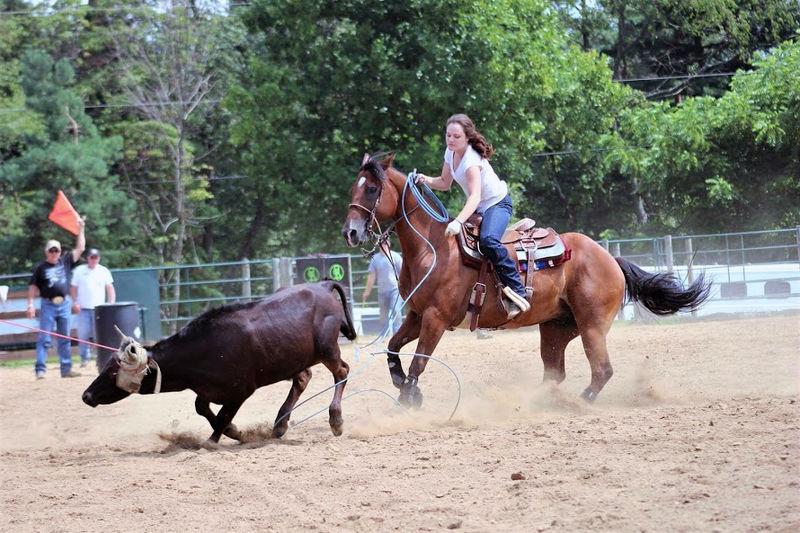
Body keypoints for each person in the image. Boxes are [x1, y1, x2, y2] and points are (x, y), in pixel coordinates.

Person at [416, 113, 531, 319]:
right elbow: (444, 182)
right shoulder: (450, 153)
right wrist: (425, 180)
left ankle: (518, 290)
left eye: (456, 136)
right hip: (478, 207)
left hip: (497, 204)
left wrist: (459, 221)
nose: (450, 140)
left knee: (488, 241)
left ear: (467, 138)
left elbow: (476, 196)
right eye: (448, 135)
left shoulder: (471, 159)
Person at [27, 216, 86, 379]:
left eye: (56, 250)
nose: (54, 253)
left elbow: (80, 248)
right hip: (48, 305)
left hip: (64, 304)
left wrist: (81, 228)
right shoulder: (40, 268)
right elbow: (32, 287)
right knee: (44, 337)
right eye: (51, 250)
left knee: (65, 337)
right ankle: (40, 369)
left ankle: (66, 370)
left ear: (60, 252)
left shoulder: (65, 260)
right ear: (46, 252)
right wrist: (30, 304)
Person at [70, 248, 115, 368]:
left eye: (96, 257)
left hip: (99, 309)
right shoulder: (79, 270)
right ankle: (84, 358)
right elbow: (73, 288)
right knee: (83, 334)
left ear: (99, 258)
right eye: (91, 257)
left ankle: (100, 358)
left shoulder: (103, 271)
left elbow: (109, 288)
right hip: (83, 308)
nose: (93, 259)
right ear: (87, 258)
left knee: (99, 335)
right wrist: (75, 302)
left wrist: (111, 304)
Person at [362, 238, 404, 336]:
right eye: (382, 243)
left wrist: (403, 287)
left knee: (396, 311)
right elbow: (372, 276)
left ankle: (398, 334)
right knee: (383, 315)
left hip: (395, 290)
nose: (384, 245)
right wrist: (367, 291)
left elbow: (403, 273)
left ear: (389, 244)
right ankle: (384, 335)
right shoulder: (375, 259)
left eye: (385, 243)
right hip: (382, 291)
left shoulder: (396, 257)